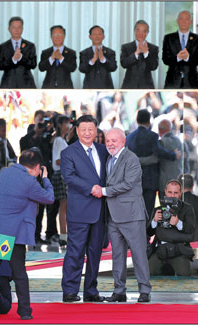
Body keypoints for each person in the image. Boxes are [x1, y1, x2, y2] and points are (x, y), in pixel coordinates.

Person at [0, 149, 54, 322]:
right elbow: (49, 198)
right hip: (13, 234)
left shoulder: (4, 172)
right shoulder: (29, 181)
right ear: (37, 167)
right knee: (20, 273)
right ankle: (25, 311)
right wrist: (45, 179)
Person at [98, 128, 151, 303]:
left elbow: (128, 184)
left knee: (138, 254)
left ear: (123, 141)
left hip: (132, 215)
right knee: (117, 255)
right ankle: (119, 291)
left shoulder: (131, 159)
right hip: (113, 216)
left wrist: (104, 191)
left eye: (114, 140)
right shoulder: (110, 159)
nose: (110, 144)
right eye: (108, 141)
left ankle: (144, 290)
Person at [60, 115, 108, 303]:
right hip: (79, 210)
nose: (87, 133)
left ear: (96, 131)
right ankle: (70, 290)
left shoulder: (104, 151)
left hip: (100, 211)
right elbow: (69, 177)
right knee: (76, 250)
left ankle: (91, 291)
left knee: (95, 252)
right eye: (84, 130)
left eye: (91, 129)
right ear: (77, 131)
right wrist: (91, 188)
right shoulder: (68, 152)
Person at [126, 109, 178, 218]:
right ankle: (146, 234)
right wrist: (173, 155)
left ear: (137, 120)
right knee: (148, 211)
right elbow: (159, 152)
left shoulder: (129, 138)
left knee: (136, 212)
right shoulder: (152, 136)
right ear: (149, 121)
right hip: (150, 180)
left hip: (134, 181)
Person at [148, 180, 198, 276]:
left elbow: (191, 231)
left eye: (175, 193)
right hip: (160, 250)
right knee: (150, 273)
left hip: (178, 250)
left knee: (184, 275)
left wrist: (178, 223)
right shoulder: (158, 210)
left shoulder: (187, 209)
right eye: (170, 192)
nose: (172, 196)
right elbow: (149, 233)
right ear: (165, 192)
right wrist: (154, 221)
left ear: (180, 193)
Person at [162, 11, 198, 89]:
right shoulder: (168, 38)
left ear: (191, 22)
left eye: (187, 19)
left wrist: (188, 57)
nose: (184, 22)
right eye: (181, 19)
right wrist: (178, 58)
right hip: (172, 82)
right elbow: (165, 59)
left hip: (191, 82)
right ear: (177, 21)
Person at [0, 16, 37, 89]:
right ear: (9, 29)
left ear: (22, 29)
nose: (16, 30)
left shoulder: (30, 45)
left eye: (19, 27)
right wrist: (13, 59)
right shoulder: (3, 46)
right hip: (8, 84)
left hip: (26, 84)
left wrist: (21, 57)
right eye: (14, 27)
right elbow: (0, 65)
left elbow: (33, 64)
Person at [120, 20, 159, 89]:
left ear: (147, 33)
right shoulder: (126, 47)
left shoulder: (153, 48)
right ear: (134, 31)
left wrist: (146, 53)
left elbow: (154, 66)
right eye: (138, 30)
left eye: (144, 31)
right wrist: (136, 53)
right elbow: (124, 64)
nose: (140, 33)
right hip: (129, 85)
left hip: (147, 86)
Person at [51, 116, 71, 246]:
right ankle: (63, 235)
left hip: (62, 173)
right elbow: (58, 160)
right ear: (60, 125)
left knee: (65, 206)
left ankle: (65, 235)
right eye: (66, 124)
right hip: (61, 174)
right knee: (64, 206)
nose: (68, 126)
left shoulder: (61, 140)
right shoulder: (58, 140)